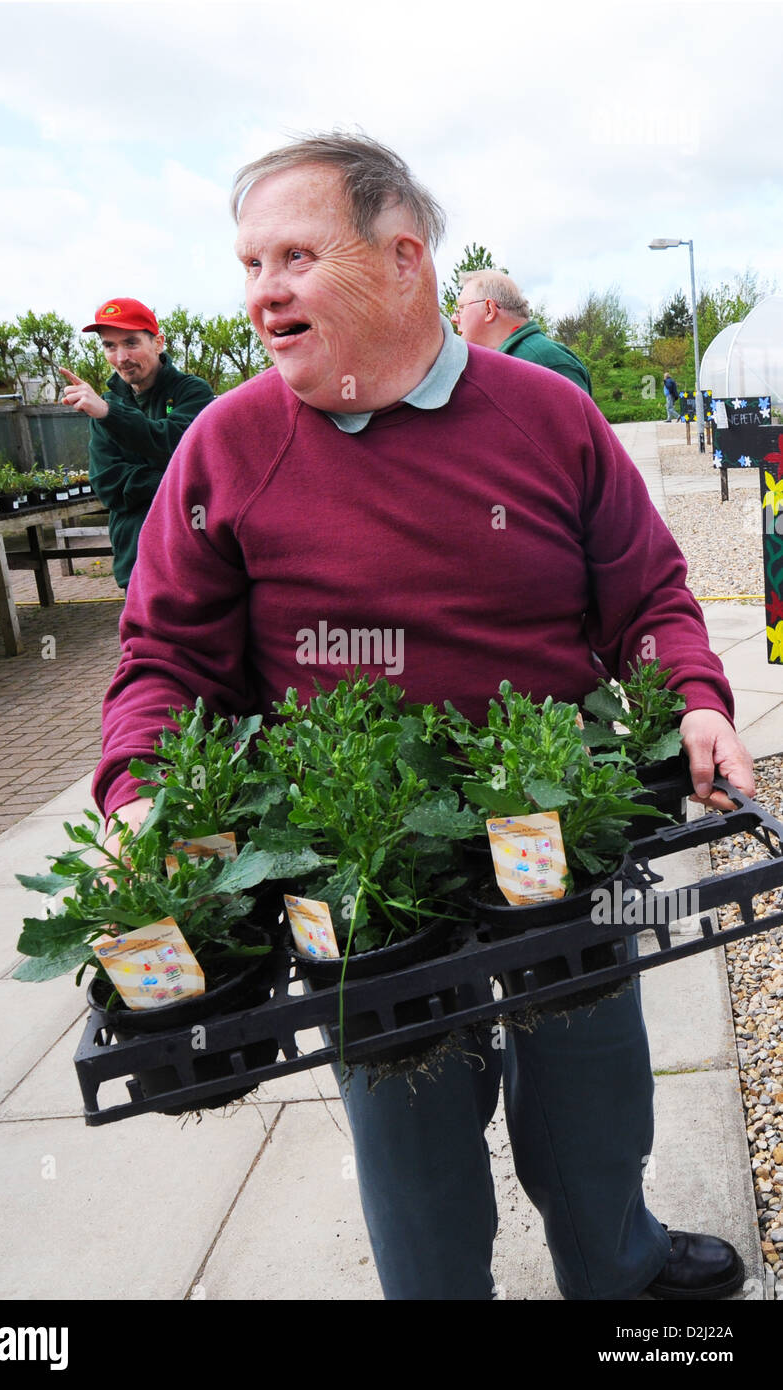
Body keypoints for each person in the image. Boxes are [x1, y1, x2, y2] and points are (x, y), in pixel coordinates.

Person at [92, 133, 754, 1301]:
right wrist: (141, 787)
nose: (261, 292)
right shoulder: (227, 443)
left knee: (593, 1080)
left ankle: (618, 1265)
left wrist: (693, 700)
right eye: (249, 263)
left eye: (295, 254)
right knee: (407, 1133)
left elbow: (644, 592)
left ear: (403, 259)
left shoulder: (546, 416)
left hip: (549, 823)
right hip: (360, 866)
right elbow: (165, 656)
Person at [60, 297, 215, 590]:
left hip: (194, 553)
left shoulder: (191, 392)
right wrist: (170, 477)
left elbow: (179, 449)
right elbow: (108, 484)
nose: (121, 358)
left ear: (158, 342)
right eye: (110, 346)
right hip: (136, 557)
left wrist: (110, 416)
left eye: (131, 343)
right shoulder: (109, 403)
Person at [453, 269, 593, 395]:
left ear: (489, 309)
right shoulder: (505, 362)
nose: (454, 318)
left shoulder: (547, 362)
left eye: (461, 308)